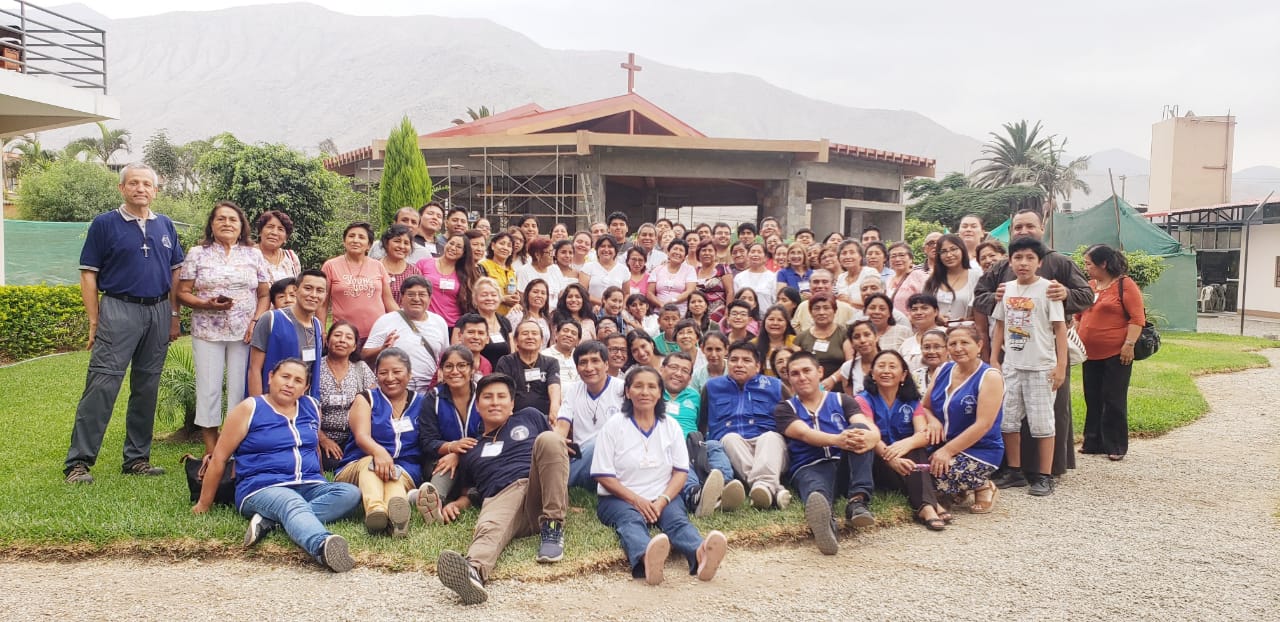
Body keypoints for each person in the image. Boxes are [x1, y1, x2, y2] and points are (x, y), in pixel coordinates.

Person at [65, 163, 184, 483]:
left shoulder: (165, 225)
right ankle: (78, 463)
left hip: (158, 310)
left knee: (147, 387)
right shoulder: (105, 224)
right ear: (122, 188)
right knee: (103, 384)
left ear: (155, 190)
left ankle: (137, 459)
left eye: (147, 184)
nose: (140, 188)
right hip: (119, 308)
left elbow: (176, 272)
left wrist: (173, 315)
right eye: (133, 183)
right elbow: (88, 274)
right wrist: (94, 320)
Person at [192, 358, 361, 572]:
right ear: (271, 377)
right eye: (285, 377)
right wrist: (203, 504)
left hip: (309, 484)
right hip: (261, 487)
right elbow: (219, 458)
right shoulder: (250, 408)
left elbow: (314, 449)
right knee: (290, 501)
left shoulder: (311, 407)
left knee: (350, 493)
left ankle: (270, 522)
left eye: (298, 380)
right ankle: (321, 545)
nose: (290, 384)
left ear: (305, 387)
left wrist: (319, 479)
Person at [974, 208, 1092, 478]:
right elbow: (979, 296)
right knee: (1009, 416)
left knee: (1049, 415)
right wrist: (995, 297)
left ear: (1042, 228)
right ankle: (1013, 468)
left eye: (1030, 226)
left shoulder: (1059, 262)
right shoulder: (1002, 267)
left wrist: (1066, 293)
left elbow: (1086, 295)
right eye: (1018, 227)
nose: (1024, 231)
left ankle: (1048, 471)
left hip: (1047, 354)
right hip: (1012, 355)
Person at [435, 374, 570, 605]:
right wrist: (457, 503)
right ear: (478, 406)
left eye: (501, 397)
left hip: (539, 490)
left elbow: (553, 454)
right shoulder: (471, 448)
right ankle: (473, 572)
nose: (495, 402)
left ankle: (553, 527)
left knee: (549, 439)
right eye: (488, 397)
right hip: (503, 497)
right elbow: (469, 492)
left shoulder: (530, 416)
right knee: (490, 527)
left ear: (512, 403)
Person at [592, 365, 729, 585]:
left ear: (659, 393)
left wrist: (663, 499)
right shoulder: (614, 426)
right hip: (618, 498)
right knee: (631, 521)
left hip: (662, 494)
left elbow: (680, 471)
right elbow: (603, 475)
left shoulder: (670, 425)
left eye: (651, 387)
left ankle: (701, 555)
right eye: (638, 386)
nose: (645, 392)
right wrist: (637, 500)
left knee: (677, 521)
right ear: (627, 391)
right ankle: (647, 558)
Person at [177, 201, 271, 456]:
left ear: (241, 226)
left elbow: (264, 294)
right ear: (211, 224)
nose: (227, 223)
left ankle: (235, 447)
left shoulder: (253, 254)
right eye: (221, 219)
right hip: (207, 330)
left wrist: (255, 322)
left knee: (239, 389)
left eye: (232, 219)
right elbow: (182, 292)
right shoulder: (198, 253)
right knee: (208, 388)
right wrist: (206, 304)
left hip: (245, 333)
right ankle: (212, 450)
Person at [775, 351, 878, 555]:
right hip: (809, 466)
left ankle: (857, 502)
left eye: (807, 371)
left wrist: (873, 436)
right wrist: (838, 439)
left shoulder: (842, 400)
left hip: (843, 462)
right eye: (795, 373)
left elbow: (864, 424)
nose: (802, 377)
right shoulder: (785, 408)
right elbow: (804, 433)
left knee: (859, 430)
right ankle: (826, 525)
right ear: (788, 378)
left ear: (820, 372)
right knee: (816, 493)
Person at [989, 237, 1067, 497]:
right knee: (1008, 421)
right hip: (1012, 366)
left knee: (1042, 423)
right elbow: (1000, 325)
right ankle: (1014, 470)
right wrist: (994, 359)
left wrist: (1061, 366)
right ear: (1010, 262)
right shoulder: (1006, 290)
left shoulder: (1048, 290)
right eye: (1018, 258)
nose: (1023, 263)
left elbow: (1060, 329)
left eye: (1030, 258)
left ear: (1039, 262)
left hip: (1041, 367)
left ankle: (1044, 476)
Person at [334, 348, 426, 537]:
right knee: (372, 463)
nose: (390, 378)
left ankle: (395, 518)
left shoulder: (422, 402)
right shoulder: (366, 398)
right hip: (359, 465)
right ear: (376, 375)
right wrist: (379, 452)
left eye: (397, 371)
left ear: (409, 374)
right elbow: (362, 436)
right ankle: (376, 510)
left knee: (394, 474)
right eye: (383, 373)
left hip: (404, 467)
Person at [921, 325, 1005, 514]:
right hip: (941, 444)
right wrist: (933, 421)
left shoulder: (990, 377)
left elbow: (983, 424)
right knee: (913, 472)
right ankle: (963, 488)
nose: (958, 348)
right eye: (953, 344)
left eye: (965, 343)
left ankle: (983, 485)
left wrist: (947, 451)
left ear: (979, 345)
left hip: (979, 449)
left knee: (933, 483)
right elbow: (924, 407)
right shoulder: (943, 370)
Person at [857, 350, 944, 530]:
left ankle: (926, 506)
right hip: (877, 462)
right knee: (906, 456)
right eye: (881, 366)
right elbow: (868, 434)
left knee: (917, 449)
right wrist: (891, 458)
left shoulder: (911, 401)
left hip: (905, 463)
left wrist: (906, 444)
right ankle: (930, 504)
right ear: (872, 373)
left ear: (903, 375)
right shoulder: (863, 400)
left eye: (892, 366)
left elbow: (923, 435)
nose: (886, 371)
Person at [1076, 243, 1146, 461]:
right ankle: (1093, 441)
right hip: (1089, 353)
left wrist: (1129, 344)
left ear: (1103, 264)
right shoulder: (1091, 286)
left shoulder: (1125, 285)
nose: (1086, 268)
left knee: (1113, 398)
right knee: (1092, 397)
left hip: (1116, 353)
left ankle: (1115, 444)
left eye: (1089, 264)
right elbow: (1079, 315)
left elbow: (1137, 318)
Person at [699, 341, 789, 509]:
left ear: (758, 366)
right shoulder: (712, 387)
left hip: (769, 448)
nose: (739, 365)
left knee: (770, 437)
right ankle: (770, 488)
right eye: (734, 360)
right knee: (730, 438)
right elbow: (702, 424)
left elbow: (791, 420)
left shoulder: (775, 386)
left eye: (746, 360)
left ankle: (763, 487)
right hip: (733, 451)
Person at [660, 352, 742, 516]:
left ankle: (725, 487)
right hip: (666, 447)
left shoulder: (694, 396)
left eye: (684, 371)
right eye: (674, 367)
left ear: (690, 378)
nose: (678, 373)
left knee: (714, 445)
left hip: (693, 443)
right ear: (662, 369)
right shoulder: (653, 392)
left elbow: (700, 424)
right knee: (680, 458)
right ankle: (695, 495)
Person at [416, 345, 482, 508]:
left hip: (479, 457)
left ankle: (467, 495)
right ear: (441, 370)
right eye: (449, 366)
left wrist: (460, 455)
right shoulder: (433, 398)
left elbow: (491, 434)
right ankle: (433, 501)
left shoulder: (484, 394)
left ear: (472, 369)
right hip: (443, 459)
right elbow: (427, 441)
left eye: (462, 365)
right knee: (444, 471)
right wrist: (451, 448)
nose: (455, 371)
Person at [556, 341, 625, 491]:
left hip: (616, 458)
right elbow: (561, 426)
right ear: (577, 368)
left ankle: (560, 482)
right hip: (583, 458)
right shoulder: (574, 390)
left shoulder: (622, 389)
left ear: (606, 365)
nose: (589, 368)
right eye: (583, 363)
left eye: (595, 361)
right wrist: (559, 441)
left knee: (602, 440)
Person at [362, 276, 450, 393]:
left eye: (422, 294)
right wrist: (382, 349)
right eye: (411, 294)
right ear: (402, 297)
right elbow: (364, 355)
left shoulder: (439, 322)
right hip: (393, 389)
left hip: (429, 391)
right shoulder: (385, 321)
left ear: (429, 298)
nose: (416, 299)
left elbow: (446, 356)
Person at [248, 269, 326, 399]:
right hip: (273, 401)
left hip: (303, 403)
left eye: (320, 290)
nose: (313, 295)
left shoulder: (317, 324)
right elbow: (254, 369)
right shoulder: (271, 319)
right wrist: (259, 407)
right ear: (296, 290)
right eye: (308, 288)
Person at [323, 222, 398, 345]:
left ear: (369, 245)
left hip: (377, 333)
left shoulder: (378, 266)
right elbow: (322, 304)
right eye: (351, 236)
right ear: (344, 241)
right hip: (345, 336)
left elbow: (389, 301)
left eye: (361, 237)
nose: (355, 240)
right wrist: (322, 331)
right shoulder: (330, 266)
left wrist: (405, 322)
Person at [316, 321, 375, 472]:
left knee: (364, 461)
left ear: (354, 346)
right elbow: (305, 408)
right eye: (337, 335)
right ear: (327, 341)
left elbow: (374, 400)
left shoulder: (360, 368)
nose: (342, 340)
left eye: (348, 337)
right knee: (332, 463)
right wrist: (322, 439)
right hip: (322, 437)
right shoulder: (315, 368)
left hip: (355, 437)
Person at [495, 320, 563, 419]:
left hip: (543, 417)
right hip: (514, 417)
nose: (530, 337)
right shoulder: (506, 362)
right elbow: (503, 389)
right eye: (525, 333)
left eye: (534, 333)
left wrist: (554, 409)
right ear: (515, 340)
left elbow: (554, 387)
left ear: (542, 340)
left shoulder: (551, 362)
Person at [416, 233, 476, 327]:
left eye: (458, 247)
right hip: (425, 322)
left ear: (464, 253)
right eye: (451, 243)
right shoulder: (424, 263)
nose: (453, 248)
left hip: (453, 324)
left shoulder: (465, 273)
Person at [793, 293, 853, 380]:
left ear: (834, 311)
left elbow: (850, 363)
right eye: (817, 308)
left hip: (839, 384)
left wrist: (832, 380)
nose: (821, 312)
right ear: (810, 312)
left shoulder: (844, 334)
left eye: (826, 308)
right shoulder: (801, 338)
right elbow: (795, 365)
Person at [790, 269, 856, 332]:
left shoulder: (846, 308)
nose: (820, 286)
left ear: (833, 284)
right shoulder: (803, 306)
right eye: (816, 282)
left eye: (825, 282)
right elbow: (795, 328)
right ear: (809, 285)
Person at [469, 277, 513, 369]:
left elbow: (512, 354)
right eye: (484, 295)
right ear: (475, 299)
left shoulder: (505, 322)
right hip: (478, 373)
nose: (489, 298)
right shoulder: (467, 321)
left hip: (502, 375)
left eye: (493, 295)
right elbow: (459, 353)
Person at [830, 319, 880, 396]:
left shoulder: (890, 363)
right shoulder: (847, 368)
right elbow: (851, 400)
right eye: (856, 337)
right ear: (851, 343)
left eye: (867, 335)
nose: (862, 340)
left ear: (876, 337)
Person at [647, 238, 697, 314]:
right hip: (659, 312)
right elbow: (650, 293)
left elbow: (690, 291)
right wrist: (661, 305)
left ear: (685, 256)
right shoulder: (657, 269)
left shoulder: (689, 270)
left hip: (681, 313)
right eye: (675, 249)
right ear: (668, 252)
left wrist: (672, 301)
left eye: (681, 250)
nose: (677, 252)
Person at [377, 224, 423, 305]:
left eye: (406, 243)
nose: (402, 246)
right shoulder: (374, 267)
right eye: (397, 241)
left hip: (404, 313)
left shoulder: (414, 272)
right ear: (386, 243)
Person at [516, 238, 565, 311]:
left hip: (556, 313)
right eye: (549, 252)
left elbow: (562, 294)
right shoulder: (523, 272)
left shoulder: (555, 269)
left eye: (553, 252)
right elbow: (523, 300)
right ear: (537, 255)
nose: (552, 255)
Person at [900, 293, 945, 371]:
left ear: (936, 312)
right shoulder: (906, 344)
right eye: (914, 309)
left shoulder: (947, 334)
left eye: (924, 308)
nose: (919, 312)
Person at [254, 210, 301, 282]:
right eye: (270, 227)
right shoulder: (247, 254)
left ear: (286, 238)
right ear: (260, 232)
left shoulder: (292, 258)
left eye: (280, 229)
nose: (274, 233)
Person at [582, 234, 628, 308]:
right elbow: (582, 292)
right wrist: (605, 303)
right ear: (597, 249)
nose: (606, 250)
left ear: (615, 250)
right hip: (591, 310)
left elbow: (626, 293)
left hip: (615, 310)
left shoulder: (623, 269)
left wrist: (620, 307)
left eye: (610, 246)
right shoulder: (588, 267)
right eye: (602, 246)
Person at [693, 240, 733, 323]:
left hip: (720, 314)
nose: (707, 253)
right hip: (698, 314)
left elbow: (730, 292)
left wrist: (727, 312)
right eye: (704, 250)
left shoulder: (723, 268)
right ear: (698, 254)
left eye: (710, 250)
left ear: (715, 253)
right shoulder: (694, 271)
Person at [479, 231, 519, 315]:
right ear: (493, 246)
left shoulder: (511, 271)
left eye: (509, 245)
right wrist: (502, 299)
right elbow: (479, 294)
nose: (505, 248)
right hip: (489, 315)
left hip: (508, 317)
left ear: (511, 251)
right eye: (502, 243)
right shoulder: (483, 266)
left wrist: (516, 300)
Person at [506, 279, 553, 347]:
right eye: (535, 292)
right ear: (527, 294)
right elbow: (509, 341)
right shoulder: (517, 314)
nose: (539, 295)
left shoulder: (547, 319)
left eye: (543, 293)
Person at [885, 243, 927, 315]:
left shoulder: (918, 276)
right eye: (893, 256)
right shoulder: (888, 279)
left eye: (902, 255)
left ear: (911, 259)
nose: (897, 259)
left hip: (913, 320)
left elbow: (928, 301)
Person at [835, 240, 879, 308]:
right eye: (844, 253)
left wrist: (850, 302)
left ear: (860, 256)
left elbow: (877, 301)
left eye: (852, 252)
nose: (848, 256)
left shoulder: (870, 273)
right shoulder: (841, 277)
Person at [733, 243, 777, 311]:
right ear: (747, 255)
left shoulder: (773, 277)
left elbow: (775, 301)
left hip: (766, 316)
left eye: (759, 252)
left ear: (765, 257)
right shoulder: (739, 277)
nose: (755, 255)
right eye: (752, 252)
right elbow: (736, 301)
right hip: (744, 316)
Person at [541, 318, 583, 385]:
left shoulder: (581, 357)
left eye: (573, 333)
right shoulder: (544, 356)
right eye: (565, 331)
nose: (569, 335)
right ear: (556, 334)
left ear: (578, 341)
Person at [455, 313, 496, 377]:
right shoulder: (450, 360)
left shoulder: (486, 364)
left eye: (481, 333)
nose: (476, 337)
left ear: (487, 339)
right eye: (471, 332)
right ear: (460, 336)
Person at [913, 328, 950, 395]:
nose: (931, 351)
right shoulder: (916, 375)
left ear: (947, 349)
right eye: (926, 347)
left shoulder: (955, 373)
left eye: (937, 347)